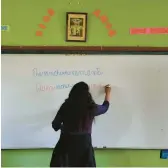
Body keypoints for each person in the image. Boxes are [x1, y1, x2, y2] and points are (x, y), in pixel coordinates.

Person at [50, 81, 111, 167]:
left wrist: (63, 128)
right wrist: (108, 93)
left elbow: (55, 125)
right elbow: (105, 107)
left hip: (65, 147)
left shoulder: (66, 106)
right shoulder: (91, 107)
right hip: (84, 148)